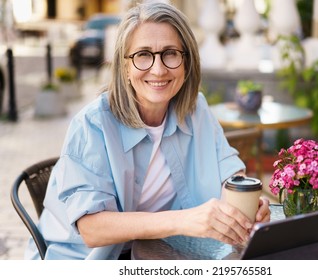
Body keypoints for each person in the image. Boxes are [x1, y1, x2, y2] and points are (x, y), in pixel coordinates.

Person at [25, 2, 270, 260]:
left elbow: (230, 173)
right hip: (85, 260)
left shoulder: (196, 109)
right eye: (143, 54)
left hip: (165, 251)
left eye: (170, 53)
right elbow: (91, 229)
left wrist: (245, 207)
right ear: (125, 67)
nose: (158, 69)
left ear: (186, 62)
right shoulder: (92, 124)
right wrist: (184, 220)